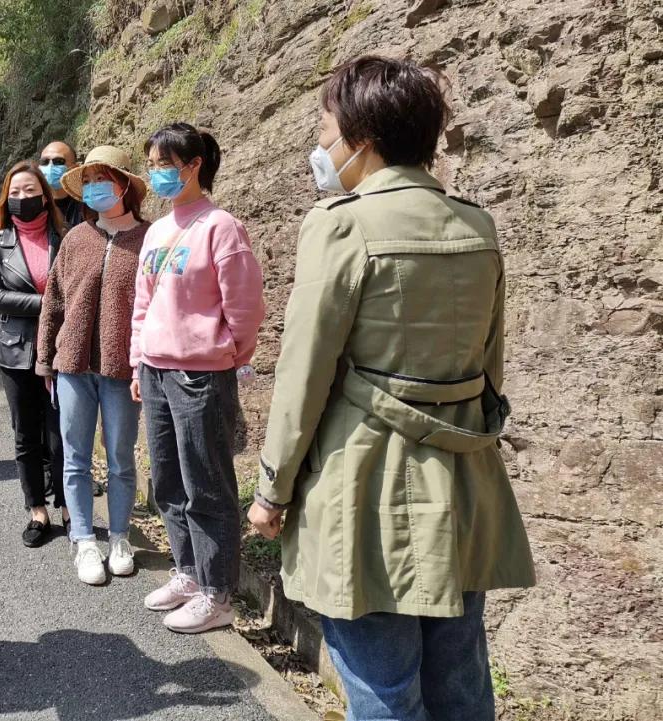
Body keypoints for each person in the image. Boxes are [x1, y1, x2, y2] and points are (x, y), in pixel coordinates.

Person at [248, 56, 535, 721]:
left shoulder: (341, 224)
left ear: (363, 138)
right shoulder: (475, 224)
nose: (320, 146)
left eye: (325, 130)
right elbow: (490, 370)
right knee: (460, 682)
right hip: (465, 484)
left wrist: (272, 491)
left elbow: (302, 377)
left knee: (381, 687)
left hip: (366, 489)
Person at [130, 123, 265, 633]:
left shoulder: (220, 227)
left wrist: (226, 354)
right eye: (152, 164)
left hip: (200, 374)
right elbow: (143, 304)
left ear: (194, 167)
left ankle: (217, 592)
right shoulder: (158, 232)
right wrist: (137, 362)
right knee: (167, 478)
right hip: (156, 370)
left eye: (166, 163)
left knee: (206, 482)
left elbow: (245, 306)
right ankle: (187, 571)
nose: (157, 172)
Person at [36, 145, 149, 585]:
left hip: (124, 370)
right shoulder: (76, 239)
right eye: (89, 181)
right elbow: (54, 302)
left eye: (104, 179)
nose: (95, 188)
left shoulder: (149, 238)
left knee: (121, 458)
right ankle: (84, 539)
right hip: (73, 365)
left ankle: (119, 536)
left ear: (124, 185)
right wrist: (46, 361)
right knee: (75, 458)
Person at [0, 161, 71, 547]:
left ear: (45, 196)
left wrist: (49, 306)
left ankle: (69, 506)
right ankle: (37, 509)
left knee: (62, 434)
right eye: (15, 192)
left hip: (62, 351)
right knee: (25, 435)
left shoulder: (65, 237)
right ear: (6, 198)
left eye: (31, 191)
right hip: (15, 352)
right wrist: (47, 302)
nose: (23, 198)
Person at [39, 140, 85, 228]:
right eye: (44, 162)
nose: (50, 166)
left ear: (74, 167)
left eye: (58, 161)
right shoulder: (33, 205)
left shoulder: (87, 207)